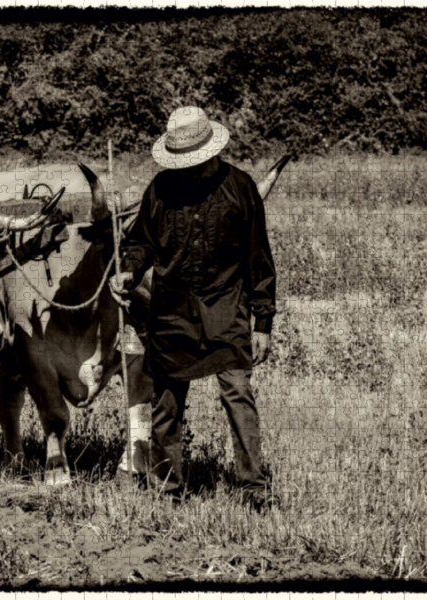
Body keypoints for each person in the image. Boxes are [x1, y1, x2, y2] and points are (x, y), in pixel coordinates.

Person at [110, 107, 277, 509]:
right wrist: (129, 271)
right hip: (172, 309)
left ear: (211, 152)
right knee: (165, 401)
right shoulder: (161, 189)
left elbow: (259, 257)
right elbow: (139, 243)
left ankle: (253, 488)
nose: (190, 169)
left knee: (237, 391)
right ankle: (169, 489)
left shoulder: (240, 187)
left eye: (196, 162)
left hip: (226, 304)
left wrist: (263, 321)